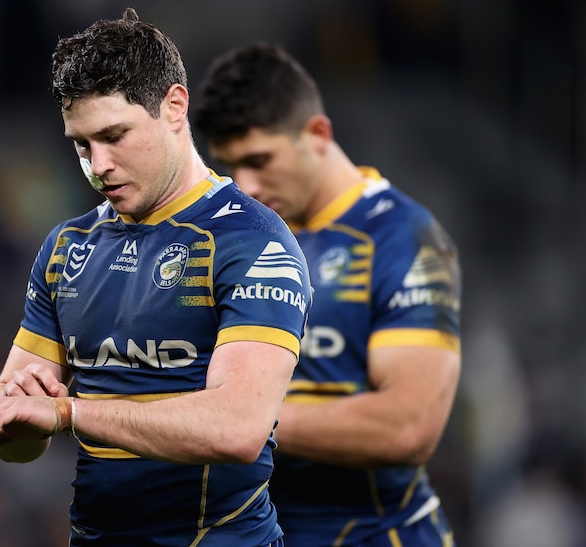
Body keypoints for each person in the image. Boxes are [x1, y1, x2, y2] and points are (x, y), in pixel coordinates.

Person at [0, 11, 312, 547]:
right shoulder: (66, 249)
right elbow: (20, 442)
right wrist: (16, 422)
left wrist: (70, 412)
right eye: (80, 145)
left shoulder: (252, 241)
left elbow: (238, 428)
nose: (98, 166)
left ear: (174, 107)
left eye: (114, 136)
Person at [193, 43, 462, 547]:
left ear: (317, 134)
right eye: (230, 166)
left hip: (377, 534)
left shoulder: (403, 237)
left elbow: (409, 425)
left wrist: (240, 420)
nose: (245, 185)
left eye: (259, 160)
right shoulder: (233, 239)